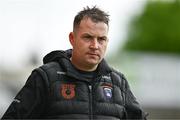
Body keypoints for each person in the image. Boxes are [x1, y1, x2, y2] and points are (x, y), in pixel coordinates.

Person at [2, 6, 147, 119]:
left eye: (101, 39)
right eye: (88, 37)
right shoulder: (46, 77)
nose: (95, 45)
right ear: (72, 38)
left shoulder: (118, 82)